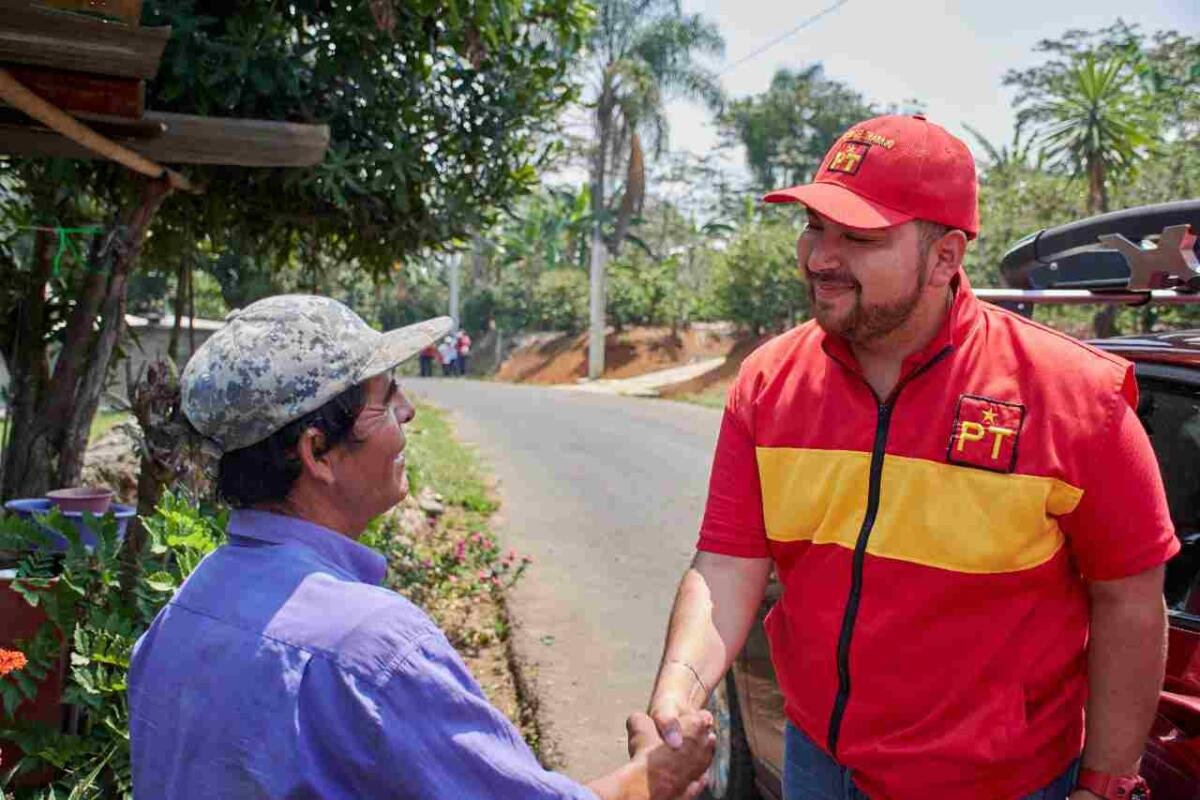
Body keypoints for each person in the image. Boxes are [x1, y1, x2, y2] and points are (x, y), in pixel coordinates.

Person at [645, 115, 1177, 800]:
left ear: (945, 256)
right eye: (814, 227)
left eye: (858, 238)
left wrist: (1103, 785)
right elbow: (728, 561)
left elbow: (1131, 599)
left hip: (997, 783)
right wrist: (680, 689)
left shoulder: (1076, 398)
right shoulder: (768, 383)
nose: (819, 257)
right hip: (818, 761)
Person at [128, 294, 715, 799]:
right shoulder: (372, 648)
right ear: (317, 453)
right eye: (386, 398)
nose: (407, 411)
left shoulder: (183, 609)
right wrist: (655, 775)